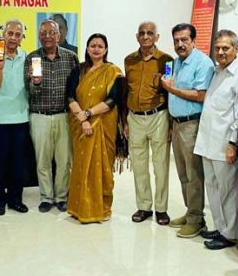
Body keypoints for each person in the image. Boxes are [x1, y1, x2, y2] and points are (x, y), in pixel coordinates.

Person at [193, 29, 238, 250]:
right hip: (208, 141)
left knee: (228, 190)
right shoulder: (217, 71)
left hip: (225, 143)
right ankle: (219, 226)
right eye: (217, 48)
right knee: (213, 187)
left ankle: (230, 233)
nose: (221, 52)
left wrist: (233, 144)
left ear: (236, 48)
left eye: (226, 48)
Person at [161, 23, 214, 237]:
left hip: (192, 125)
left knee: (194, 175)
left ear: (194, 40)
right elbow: (167, 88)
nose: (180, 44)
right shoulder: (173, 63)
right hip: (176, 123)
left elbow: (200, 95)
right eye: (176, 40)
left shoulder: (204, 63)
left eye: (184, 40)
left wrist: (171, 88)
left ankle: (196, 220)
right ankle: (190, 211)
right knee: (182, 174)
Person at [66, 33, 123, 223]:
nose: (96, 49)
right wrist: (82, 120)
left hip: (103, 125)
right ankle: (78, 207)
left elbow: (113, 100)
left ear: (105, 49)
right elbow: (70, 96)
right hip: (80, 125)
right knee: (81, 166)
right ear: (87, 48)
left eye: (100, 46)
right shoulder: (79, 70)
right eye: (93, 45)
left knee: (102, 168)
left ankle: (101, 208)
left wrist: (89, 114)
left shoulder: (113, 71)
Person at [24, 19, 79, 213]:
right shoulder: (32, 58)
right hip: (39, 117)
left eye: (51, 32)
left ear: (59, 35)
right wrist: (35, 83)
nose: (47, 36)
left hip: (64, 116)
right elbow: (28, 93)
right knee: (43, 160)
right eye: (43, 33)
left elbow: (76, 88)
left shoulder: (71, 57)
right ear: (39, 36)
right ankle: (46, 197)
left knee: (64, 161)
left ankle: (62, 197)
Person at [124, 21, 174, 225]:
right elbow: (127, 90)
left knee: (161, 164)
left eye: (150, 33)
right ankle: (144, 206)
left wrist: (171, 123)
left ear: (157, 37)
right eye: (142, 33)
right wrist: (124, 121)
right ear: (137, 37)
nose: (146, 36)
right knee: (139, 164)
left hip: (158, 116)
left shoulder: (167, 60)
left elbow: (170, 91)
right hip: (134, 118)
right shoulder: (129, 60)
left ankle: (161, 209)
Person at [0, 19, 30, 216]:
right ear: (3, 35)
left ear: (22, 39)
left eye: (17, 35)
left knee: (18, 162)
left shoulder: (26, 57)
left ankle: (16, 199)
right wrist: (1, 66)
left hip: (21, 116)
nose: (13, 38)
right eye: (10, 33)